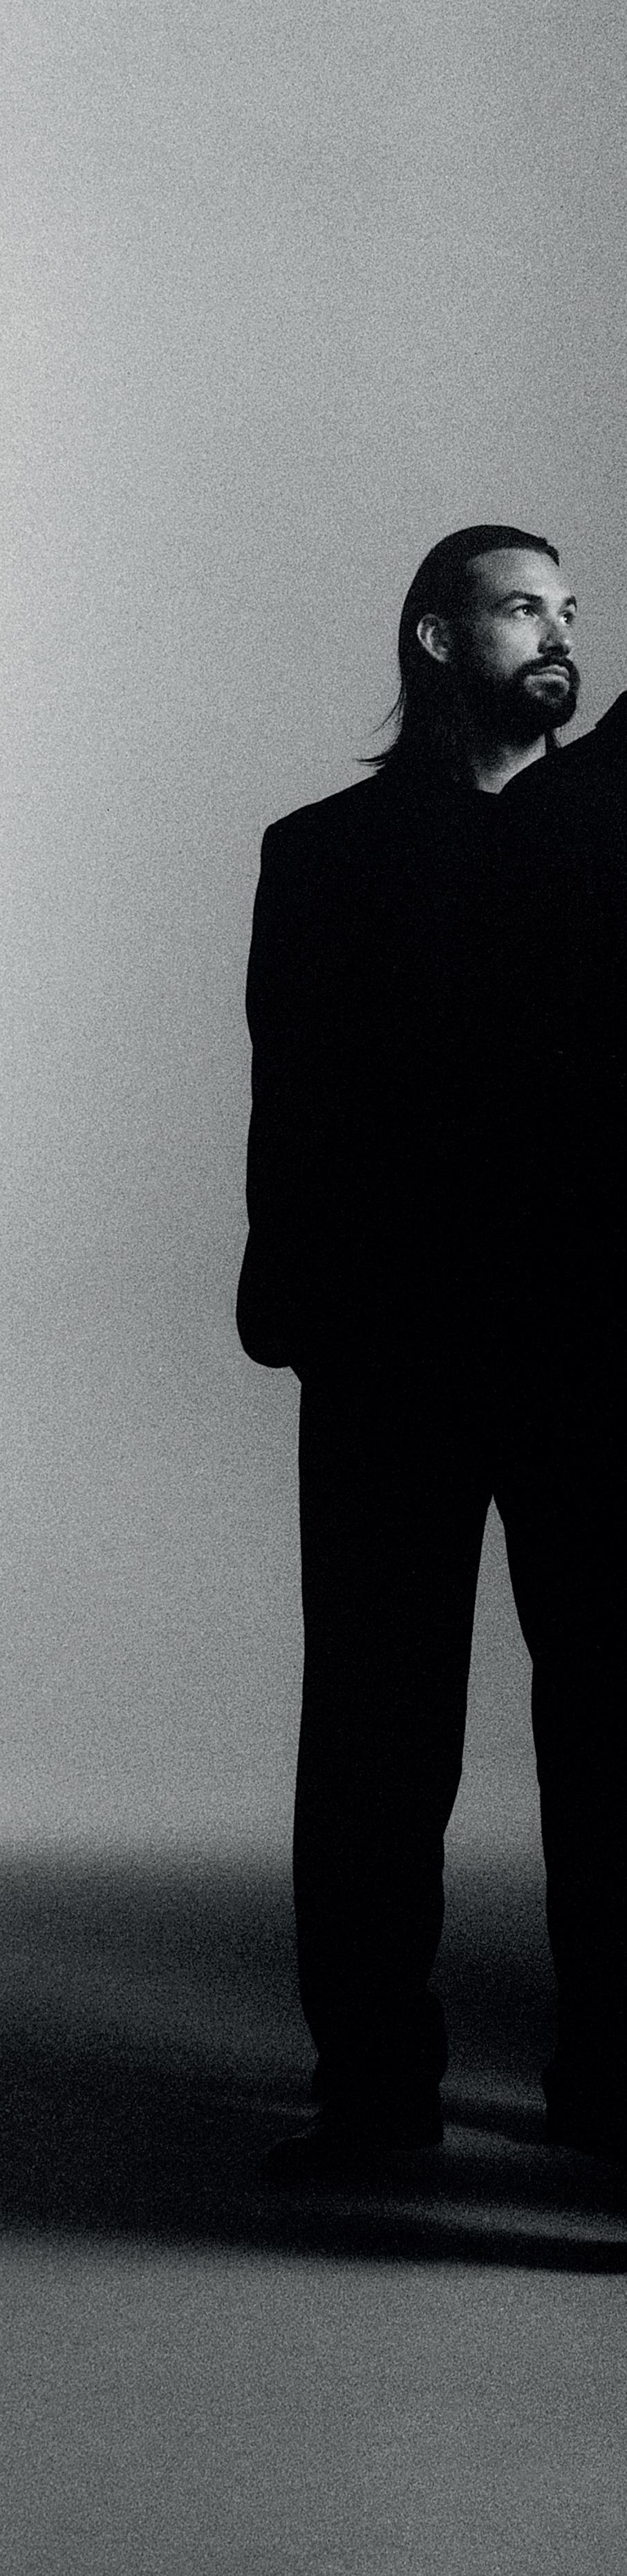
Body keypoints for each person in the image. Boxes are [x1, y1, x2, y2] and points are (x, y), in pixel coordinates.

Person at [236, 524, 627, 2174]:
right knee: (377, 1730)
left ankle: (610, 2084)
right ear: (435, 636)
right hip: (391, 1351)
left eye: (569, 610)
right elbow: (293, 1097)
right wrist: (293, 1303)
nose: (556, 632)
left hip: (590, 1353)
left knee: (612, 1723)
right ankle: (374, 2089)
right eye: (519, 607)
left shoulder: (601, 830)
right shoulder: (324, 853)